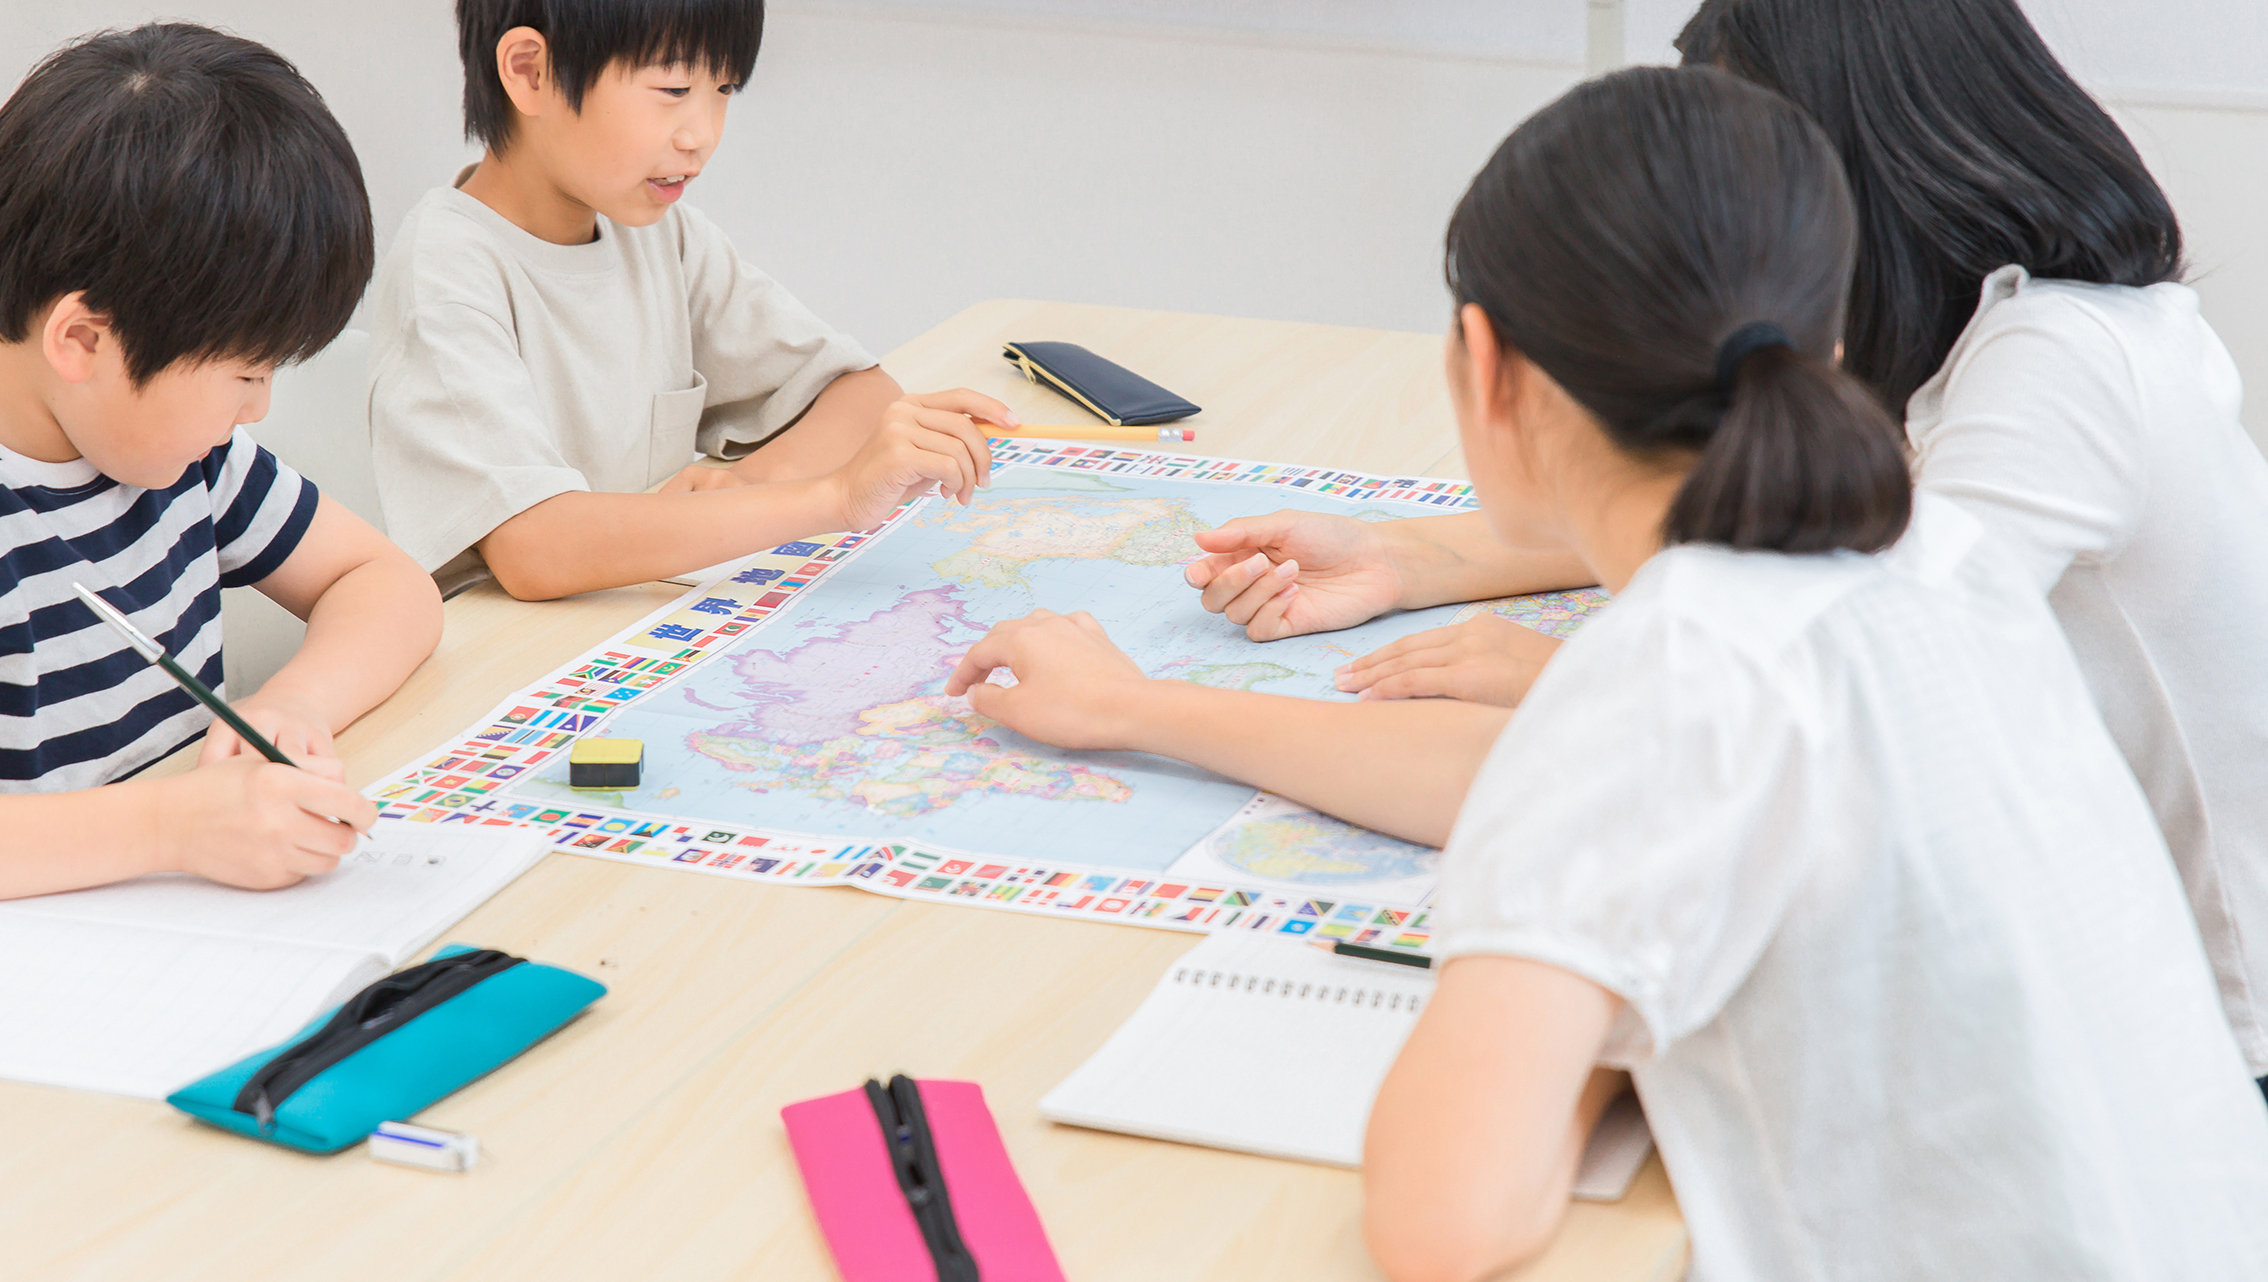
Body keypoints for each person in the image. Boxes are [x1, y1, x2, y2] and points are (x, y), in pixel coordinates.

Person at [955, 68, 2268, 1279]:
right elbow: (1596, 792)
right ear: (1828, 338)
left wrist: (1599, 1016)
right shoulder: (1938, 562)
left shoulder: (1673, 667)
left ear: (1487, 369)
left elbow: (1445, 1222)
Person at [1198, 0, 2268, 1083]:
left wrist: (1144, 710)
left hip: (2201, 1034)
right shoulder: (2034, 331)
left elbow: (1834, 723)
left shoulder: (2055, 365)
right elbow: (1790, 508)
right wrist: (1411, 557)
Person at [0, 25, 439, 967]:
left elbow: (386, 583)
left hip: (130, 935)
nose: (259, 408)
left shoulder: (158, 449)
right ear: (82, 340)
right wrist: (168, 827)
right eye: (245, 374)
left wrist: (297, 705)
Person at [367, 0, 1009, 601]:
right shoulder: (449, 268)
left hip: (632, 627)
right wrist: (829, 499)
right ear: (530, 72)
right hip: (508, 672)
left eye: (725, 89)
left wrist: (747, 490)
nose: (700, 133)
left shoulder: (658, 236)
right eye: (672, 90)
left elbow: (859, 395)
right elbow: (539, 549)